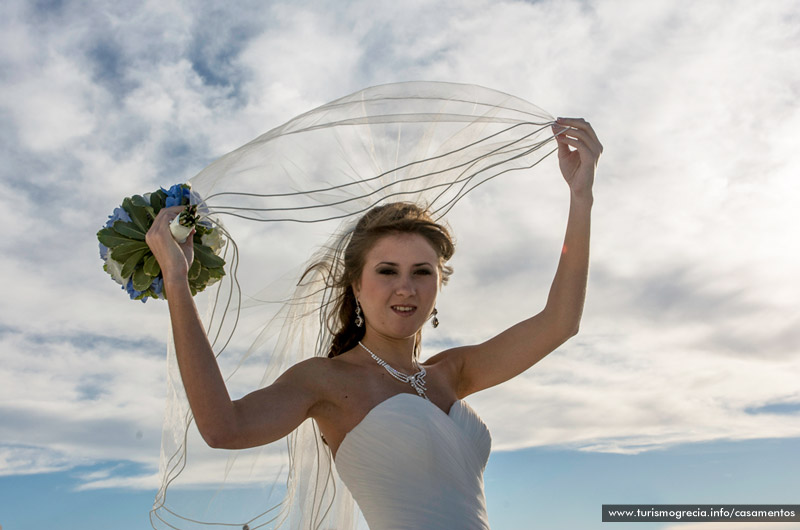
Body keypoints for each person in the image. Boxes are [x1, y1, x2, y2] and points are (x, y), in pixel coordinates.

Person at [145, 116, 602, 529]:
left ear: (438, 284)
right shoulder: (325, 380)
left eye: (422, 272)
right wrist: (177, 282)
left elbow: (560, 322)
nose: (406, 288)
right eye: (387, 272)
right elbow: (223, 428)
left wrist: (580, 197)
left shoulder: (451, 373)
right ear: (357, 287)